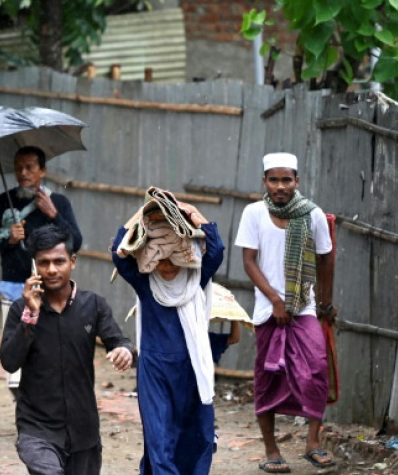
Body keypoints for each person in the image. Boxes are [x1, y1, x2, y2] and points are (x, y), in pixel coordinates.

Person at [0, 224, 133, 475]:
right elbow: (9, 361)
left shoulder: (93, 305)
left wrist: (124, 351)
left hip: (84, 430)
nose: (51, 269)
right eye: (43, 262)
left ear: (72, 262)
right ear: (34, 266)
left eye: (58, 261)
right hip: (36, 428)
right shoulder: (21, 309)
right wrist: (31, 314)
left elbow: (118, 341)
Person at [233, 152, 336, 473]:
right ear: (264, 181)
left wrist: (324, 305)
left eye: (286, 179)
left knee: (318, 368)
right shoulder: (254, 213)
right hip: (268, 310)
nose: (280, 186)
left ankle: (313, 442)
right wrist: (275, 301)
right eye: (274, 180)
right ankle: (271, 449)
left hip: (304, 307)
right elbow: (249, 261)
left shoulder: (312, 215)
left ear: (297, 181)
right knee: (268, 377)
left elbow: (326, 258)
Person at [111, 190, 225, 475]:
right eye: (158, 259)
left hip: (190, 369)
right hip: (155, 372)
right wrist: (144, 213)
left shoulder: (196, 280)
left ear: (185, 255)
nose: (166, 266)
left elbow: (217, 248)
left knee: (193, 437)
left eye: (173, 257)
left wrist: (191, 212)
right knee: (159, 438)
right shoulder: (145, 284)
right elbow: (118, 251)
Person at [0, 146, 83, 390]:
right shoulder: (4, 202)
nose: (23, 173)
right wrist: (9, 238)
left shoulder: (57, 202)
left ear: (43, 171)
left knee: (48, 343)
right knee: (16, 342)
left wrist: (53, 214)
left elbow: (75, 242)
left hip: (50, 287)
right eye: (19, 168)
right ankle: (21, 399)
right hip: (14, 285)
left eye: (30, 167)